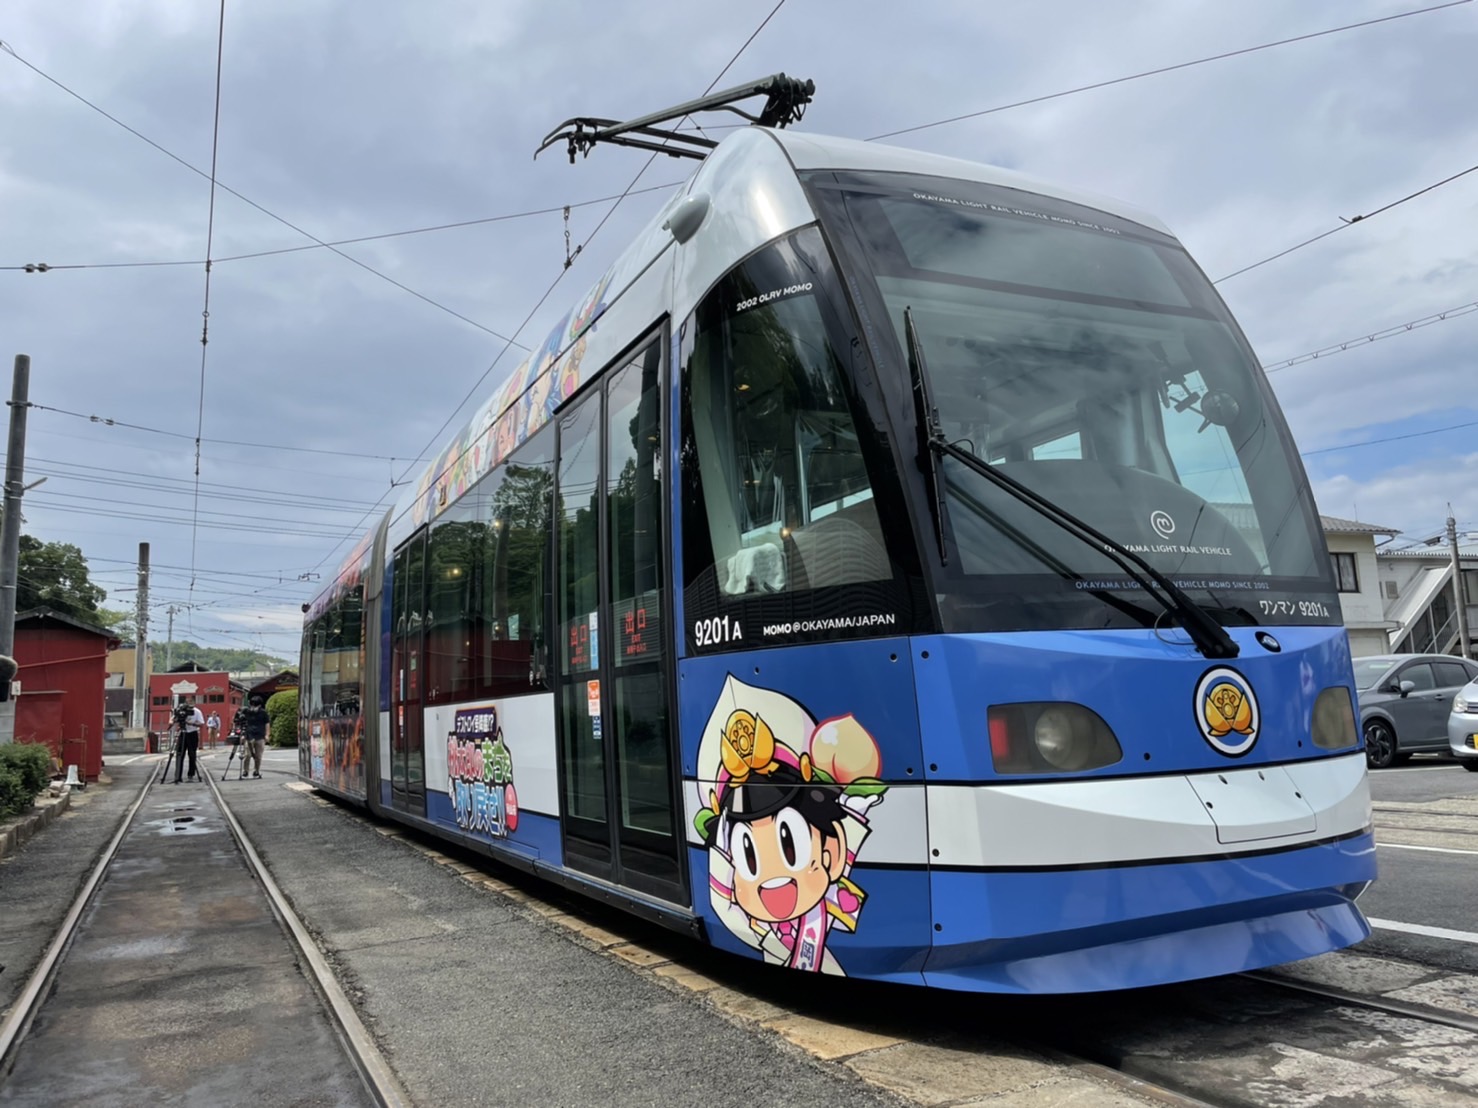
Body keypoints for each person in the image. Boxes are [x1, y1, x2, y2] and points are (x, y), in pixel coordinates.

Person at [172, 697, 206, 784]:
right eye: (187, 702)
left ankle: (191, 774)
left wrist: (192, 723)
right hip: (183, 733)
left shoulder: (197, 711)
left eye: (191, 702)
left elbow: (201, 724)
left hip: (192, 733)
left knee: (192, 754)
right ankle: (178, 775)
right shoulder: (181, 710)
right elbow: (173, 719)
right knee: (180, 754)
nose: (189, 704)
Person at [239, 695, 270, 779]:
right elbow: (240, 722)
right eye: (252, 704)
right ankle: (245, 770)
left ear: (259, 705)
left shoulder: (263, 713)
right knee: (247, 755)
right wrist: (242, 734)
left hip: (260, 736)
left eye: (255, 705)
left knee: (258, 756)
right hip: (248, 735)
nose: (253, 706)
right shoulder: (246, 712)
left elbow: (267, 724)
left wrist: (267, 735)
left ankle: (256, 770)